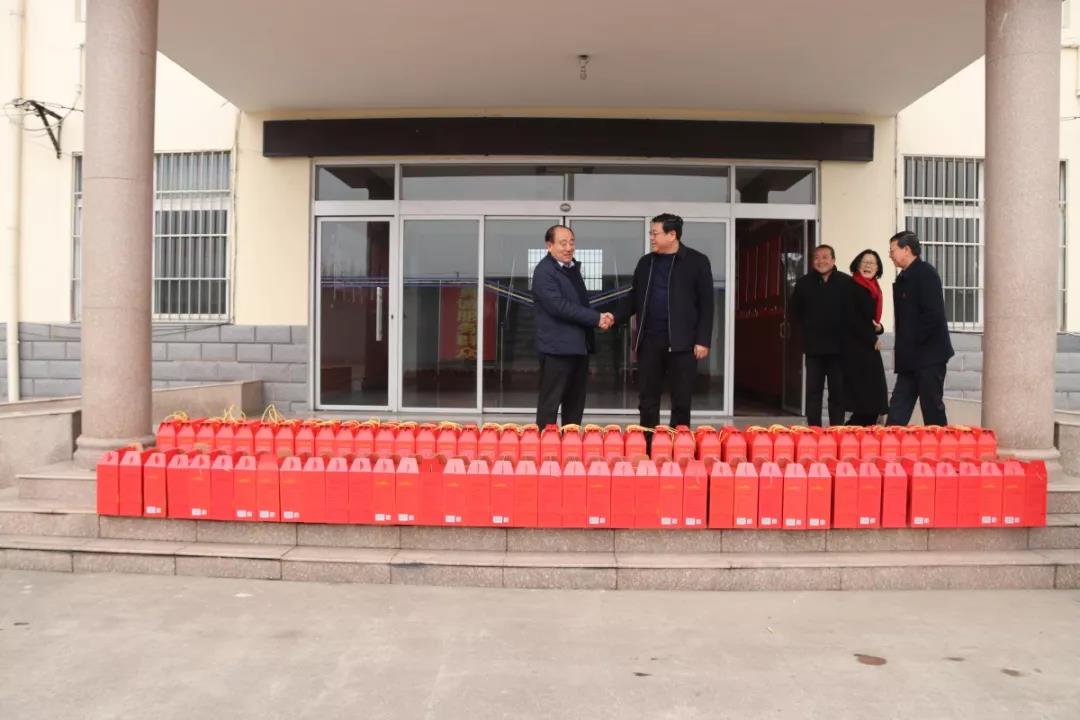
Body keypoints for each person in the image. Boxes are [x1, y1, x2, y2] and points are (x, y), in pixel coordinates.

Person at [614, 213, 713, 430]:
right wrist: (614, 316)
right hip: (650, 341)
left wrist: (703, 340)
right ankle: (649, 442)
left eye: (655, 233)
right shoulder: (646, 263)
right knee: (647, 399)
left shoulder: (697, 262)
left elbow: (706, 304)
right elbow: (634, 296)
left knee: (681, 400)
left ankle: (679, 443)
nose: (651, 237)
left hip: (683, 343)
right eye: (651, 233)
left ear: (672, 235)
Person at [532, 224, 613, 427]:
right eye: (563, 243)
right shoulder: (544, 272)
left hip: (578, 346)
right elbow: (559, 306)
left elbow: (579, 303)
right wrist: (596, 318)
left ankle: (571, 442)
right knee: (550, 403)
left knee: (575, 404)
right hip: (557, 349)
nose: (569, 248)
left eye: (571, 242)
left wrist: (598, 318)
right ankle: (547, 443)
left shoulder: (571, 269)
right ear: (549, 245)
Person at [885, 230, 954, 426]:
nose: (890, 255)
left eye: (892, 250)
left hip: (928, 356)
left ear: (906, 249)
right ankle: (890, 442)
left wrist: (914, 341)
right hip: (909, 358)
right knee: (898, 408)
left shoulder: (926, 274)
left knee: (931, 408)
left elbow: (933, 315)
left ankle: (940, 443)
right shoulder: (904, 277)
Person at [789, 245, 854, 427]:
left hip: (839, 350)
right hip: (814, 349)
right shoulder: (803, 283)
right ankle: (814, 431)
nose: (821, 261)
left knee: (838, 393)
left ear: (833, 260)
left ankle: (836, 430)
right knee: (813, 392)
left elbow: (854, 314)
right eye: (817, 257)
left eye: (825, 257)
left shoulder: (846, 282)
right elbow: (794, 312)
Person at [844, 249, 889, 425]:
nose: (868, 265)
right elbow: (852, 319)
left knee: (872, 402)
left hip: (867, 346)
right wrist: (872, 338)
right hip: (856, 348)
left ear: (878, 268)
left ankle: (859, 434)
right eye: (864, 262)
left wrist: (880, 329)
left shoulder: (873, 288)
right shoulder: (851, 286)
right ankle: (849, 434)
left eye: (872, 263)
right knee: (866, 403)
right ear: (857, 265)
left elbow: (870, 320)